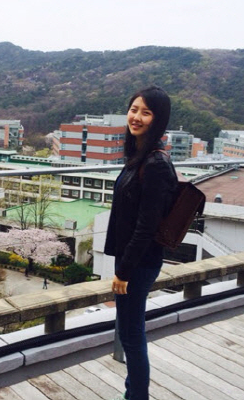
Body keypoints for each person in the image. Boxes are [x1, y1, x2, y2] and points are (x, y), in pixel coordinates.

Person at [104, 86, 178, 400]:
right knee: (131, 332)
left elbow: (146, 226)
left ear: (158, 119)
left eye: (146, 112)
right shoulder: (140, 155)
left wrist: (124, 271)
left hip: (139, 262)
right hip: (134, 259)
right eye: (134, 109)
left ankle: (136, 397)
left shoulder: (155, 163)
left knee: (132, 336)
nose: (136, 117)